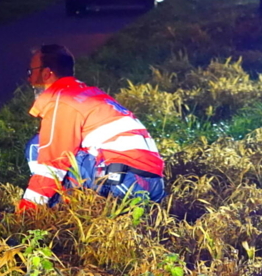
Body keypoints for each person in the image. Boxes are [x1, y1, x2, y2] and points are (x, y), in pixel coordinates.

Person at [19, 44, 165, 211]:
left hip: (123, 184)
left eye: (31, 72)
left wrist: (25, 212)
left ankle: (48, 211)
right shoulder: (87, 93)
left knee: (37, 147)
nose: (29, 79)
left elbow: (53, 163)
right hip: (152, 185)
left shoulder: (63, 100)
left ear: (46, 73)